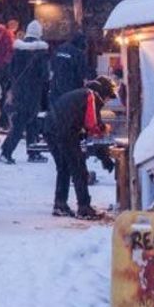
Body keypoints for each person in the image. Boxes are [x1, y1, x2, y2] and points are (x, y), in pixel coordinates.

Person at [49, 76, 116, 220]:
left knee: (64, 168)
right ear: (103, 93)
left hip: (52, 128)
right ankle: (84, 208)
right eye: (108, 98)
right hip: (64, 131)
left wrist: (103, 156)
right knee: (79, 168)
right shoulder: (90, 96)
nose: (106, 102)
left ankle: (60, 204)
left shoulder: (81, 94)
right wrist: (105, 128)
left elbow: (86, 130)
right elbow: (93, 126)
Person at [1, 21, 50, 164]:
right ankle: (8, 152)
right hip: (34, 92)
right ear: (39, 33)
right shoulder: (41, 52)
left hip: (19, 91)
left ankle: (32, 152)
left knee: (23, 123)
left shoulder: (18, 50)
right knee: (28, 124)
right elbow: (44, 75)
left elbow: (11, 71)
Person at [50, 32, 91, 102]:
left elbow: (52, 65)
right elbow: (81, 73)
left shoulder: (60, 48)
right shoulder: (78, 53)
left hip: (56, 87)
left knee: (57, 108)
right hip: (71, 88)